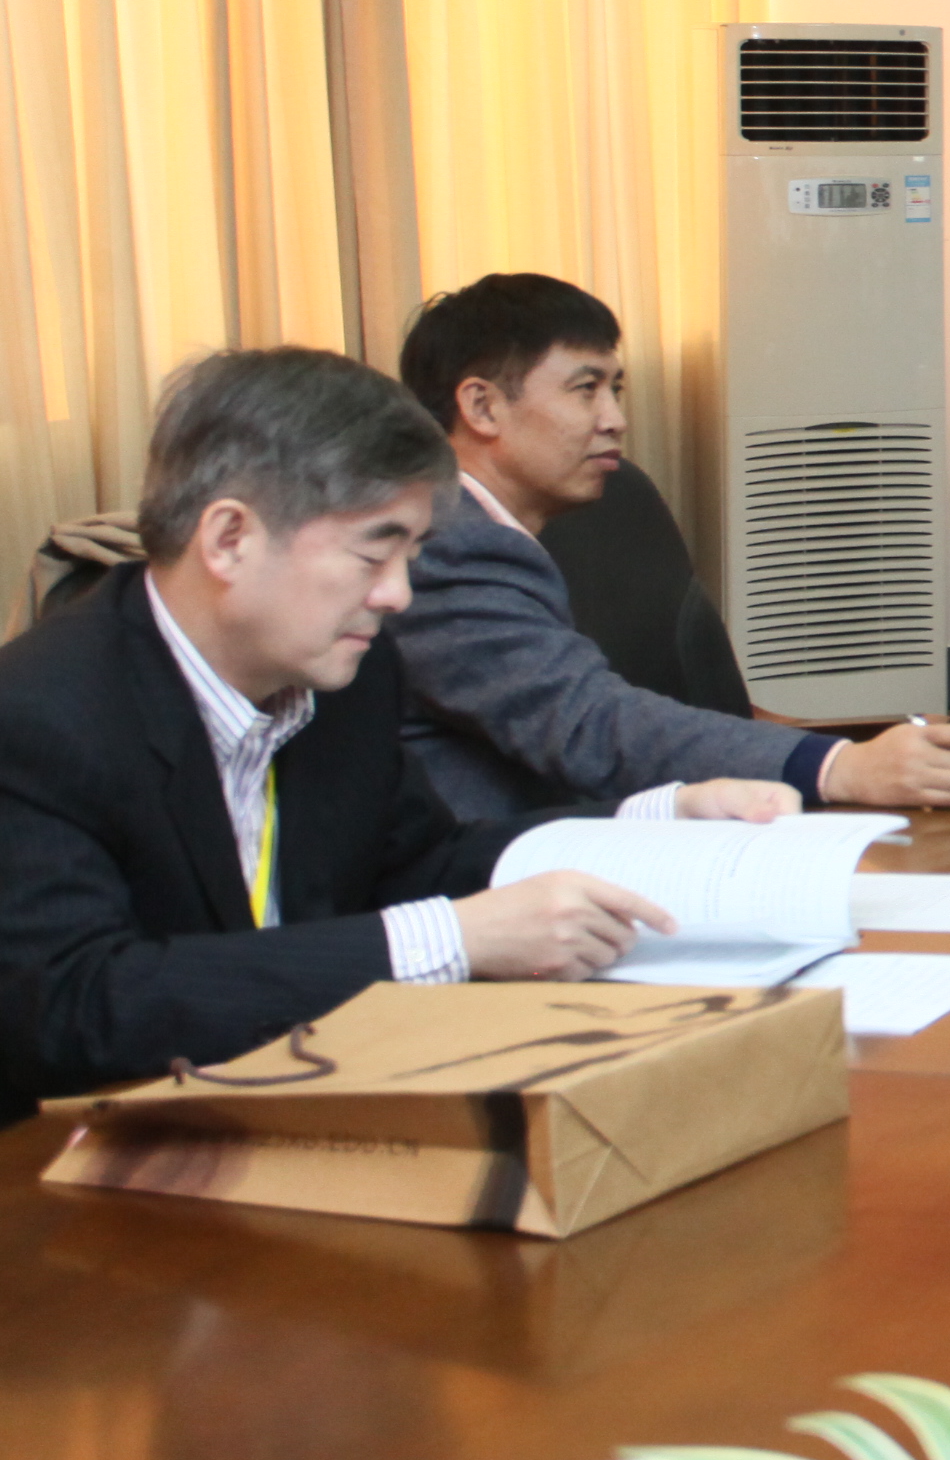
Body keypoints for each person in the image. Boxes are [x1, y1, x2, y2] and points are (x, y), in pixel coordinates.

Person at [0, 348, 798, 1120]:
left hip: (312, 1097)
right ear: (230, 539)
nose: (398, 596)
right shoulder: (37, 716)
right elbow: (75, 1008)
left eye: (412, 556)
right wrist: (451, 939)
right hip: (83, 1153)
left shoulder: (347, 673)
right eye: (373, 555)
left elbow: (420, 863)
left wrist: (656, 820)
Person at [389, 273, 950, 823]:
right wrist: (838, 767)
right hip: (504, 880)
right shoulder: (442, 547)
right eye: (585, 389)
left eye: (615, 389)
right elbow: (586, 724)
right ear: (482, 406)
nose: (614, 419)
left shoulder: (492, 530)